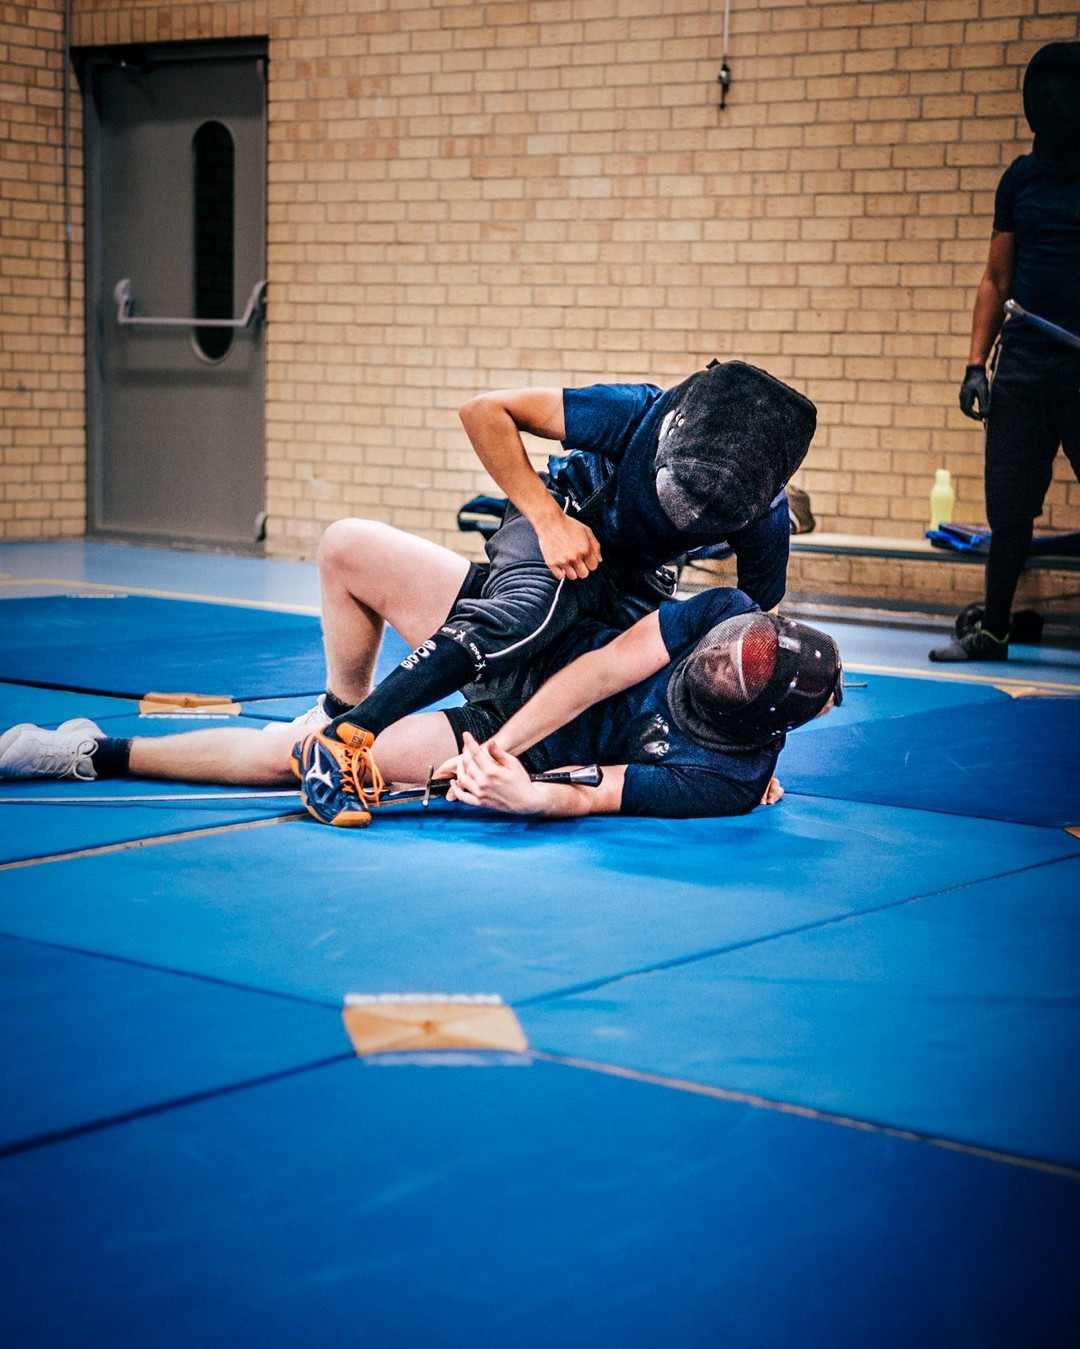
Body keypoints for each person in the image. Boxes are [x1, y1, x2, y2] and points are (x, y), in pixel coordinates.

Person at [0, 524, 843, 824]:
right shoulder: (726, 609)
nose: (714, 652)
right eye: (723, 643)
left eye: (722, 671)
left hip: (508, 742)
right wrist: (359, 716)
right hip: (537, 642)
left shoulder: (726, 777)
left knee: (295, 757)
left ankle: (90, 751)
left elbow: (594, 793)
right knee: (346, 548)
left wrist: (521, 789)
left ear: (742, 716)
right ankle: (341, 702)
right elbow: (597, 671)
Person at [310, 360, 816, 759]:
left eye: (713, 510)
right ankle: (344, 724)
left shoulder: (764, 520)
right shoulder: (633, 412)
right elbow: (484, 412)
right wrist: (550, 522)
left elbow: (759, 644)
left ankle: (502, 729)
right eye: (684, 491)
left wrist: (755, 756)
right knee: (527, 613)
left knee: (637, 684)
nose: (693, 512)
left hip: (630, 575)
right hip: (565, 514)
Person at [931, 41, 1080, 663]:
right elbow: (996, 279)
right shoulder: (1019, 179)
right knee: (1009, 511)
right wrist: (975, 364)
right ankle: (993, 633)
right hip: (1022, 365)